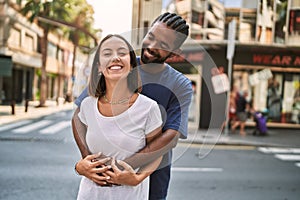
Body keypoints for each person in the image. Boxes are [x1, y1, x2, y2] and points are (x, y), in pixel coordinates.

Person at [72, 12, 193, 200]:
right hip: (101, 180)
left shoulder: (180, 84)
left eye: (163, 45)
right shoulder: (120, 65)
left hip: (153, 178)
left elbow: (171, 137)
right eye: (151, 37)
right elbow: (80, 115)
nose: (152, 46)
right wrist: (88, 161)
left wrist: (125, 168)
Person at [76, 34, 163, 199]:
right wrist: (79, 166)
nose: (115, 58)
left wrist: (137, 178)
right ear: (99, 67)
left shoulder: (148, 108)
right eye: (107, 54)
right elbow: (88, 152)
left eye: (122, 53)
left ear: (131, 65)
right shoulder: (87, 106)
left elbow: (157, 153)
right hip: (90, 194)